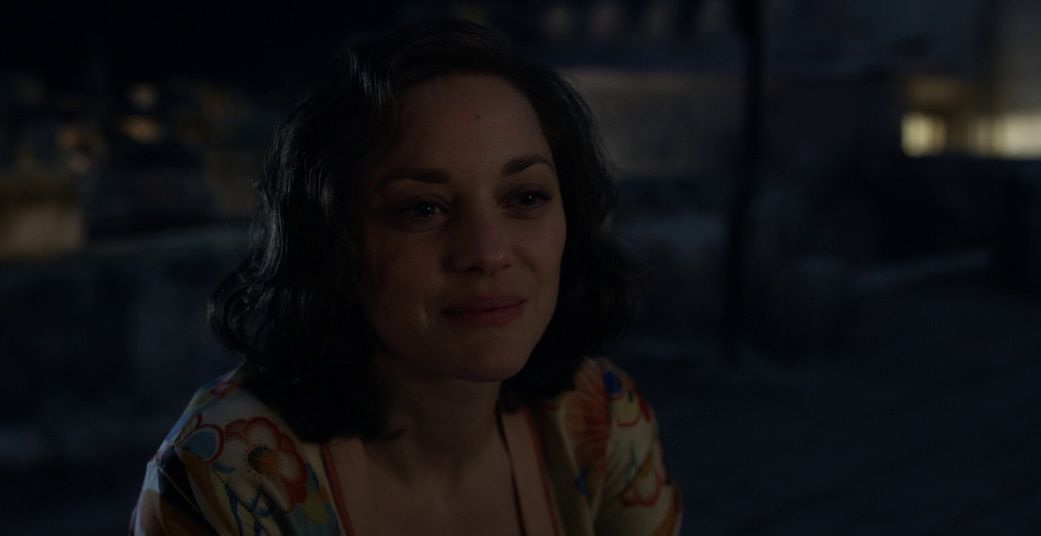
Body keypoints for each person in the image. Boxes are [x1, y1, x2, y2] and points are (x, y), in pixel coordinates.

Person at [130, 19, 681, 536]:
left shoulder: (599, 418)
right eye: (424, 209)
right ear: (332, 239)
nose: (489, 253)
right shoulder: (233, 478)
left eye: (526, 197)